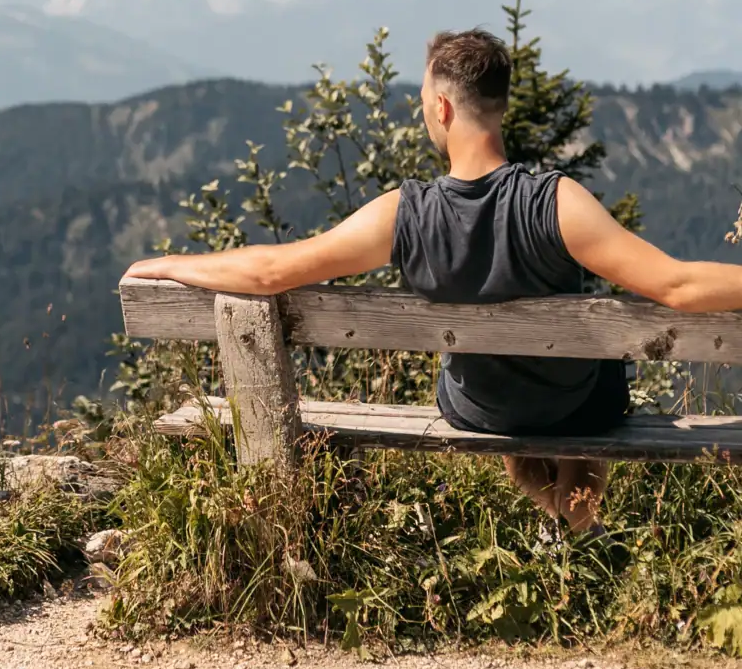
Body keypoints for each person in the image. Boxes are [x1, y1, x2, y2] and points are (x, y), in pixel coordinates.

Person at [126, 28, 742, 533]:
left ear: (443, 109)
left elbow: (271, 270)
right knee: (595, 378)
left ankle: (562, 516)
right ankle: (577, 519)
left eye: (424, 102)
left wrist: (174, 264)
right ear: (498, 106)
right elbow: (678, 286)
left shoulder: (405, 213)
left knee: (476, 378)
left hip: (478, 410)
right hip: (575, 405)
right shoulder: (556, 203)